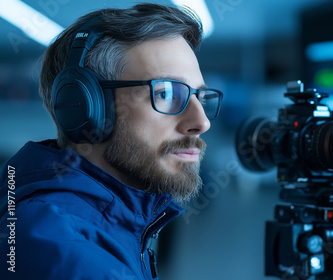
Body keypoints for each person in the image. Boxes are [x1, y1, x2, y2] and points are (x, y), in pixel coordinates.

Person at [0, 3, 223, 279]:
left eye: (200, 97)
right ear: (84, 107)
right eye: (166, 93)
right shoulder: (57, 247)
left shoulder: (112, 224)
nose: (202, 122)